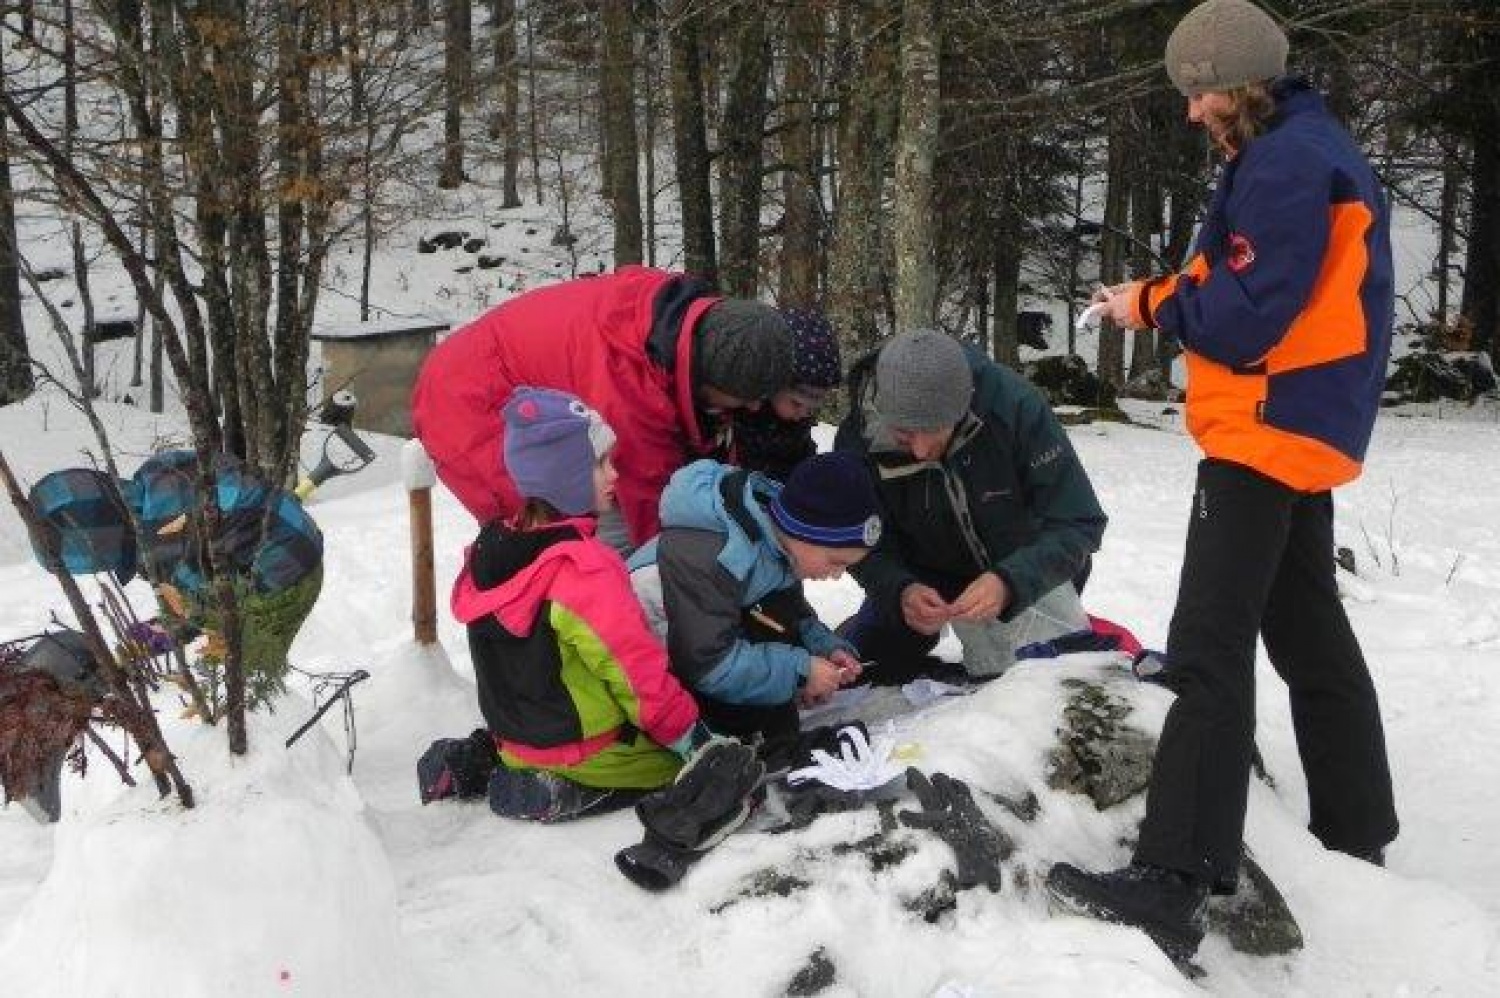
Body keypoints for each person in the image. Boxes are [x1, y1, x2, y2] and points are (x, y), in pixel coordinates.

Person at [1045, 0, 1399, 962]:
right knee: (1307, 629)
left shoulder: (1285, 163)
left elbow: (1245, 319)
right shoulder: (1311, 149)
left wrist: (1154, 306)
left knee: (1208, 645)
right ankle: (1357, 832)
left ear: (1243, 82)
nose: (1193, 111)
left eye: (1202, 92)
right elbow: (1254, 284)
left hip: (1265, 424)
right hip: (1306, 423)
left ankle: (1174, 878)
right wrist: (1162, 295)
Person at [450, 387, 707, 822]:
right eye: (601, 463)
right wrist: (691, 738)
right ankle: (569, 791)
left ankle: (496, 762)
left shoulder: (489, 552)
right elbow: (633, 670)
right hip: (591, 752)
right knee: (683, 765)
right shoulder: (584, 569)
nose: (614, 474)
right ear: (564, 477)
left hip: (515, 743)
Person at [411, 266, 795, 549]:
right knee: (546, 540)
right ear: (706, 380)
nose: (754, 407)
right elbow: (650, 507)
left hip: (500, 369)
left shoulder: (675, 323)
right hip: (469, 401)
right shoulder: (630, 384)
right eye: (744, 397)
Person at [833, 328, 1108, 683]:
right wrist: (898, 588)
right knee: (861, 667)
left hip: (1022, 565)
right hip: (924, 574)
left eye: (933, 432)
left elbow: (1078, 521)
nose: (919, 451)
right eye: (903, 436)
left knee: (1045, 682)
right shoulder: (859, 438)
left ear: (961, 409)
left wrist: (1010, 582)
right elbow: (858, 540)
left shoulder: (1015, 407)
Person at [627, 452, 880, 754]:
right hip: (644, 680)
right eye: (835, 562)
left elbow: (785, 615)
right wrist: (800, 671)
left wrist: (824, 648)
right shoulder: (716, 556)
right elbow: (708, 664)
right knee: (763, 723)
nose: (838, 575)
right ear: (805, 532)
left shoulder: (778, 543)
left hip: (698, 651)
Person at [28, 450, 324, 707]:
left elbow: (198, 613)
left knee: (241, 679)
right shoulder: (156, 477)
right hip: (287, 525)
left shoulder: (163, 543)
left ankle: (270, 739)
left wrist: (141, 645)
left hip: (288, 571)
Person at [727, 308, 843, 482]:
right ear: (773, 384)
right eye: (796, 403)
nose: (803, 413)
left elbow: (802, 461)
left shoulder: (796, 426)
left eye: (811, 408)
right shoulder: (742, 415)